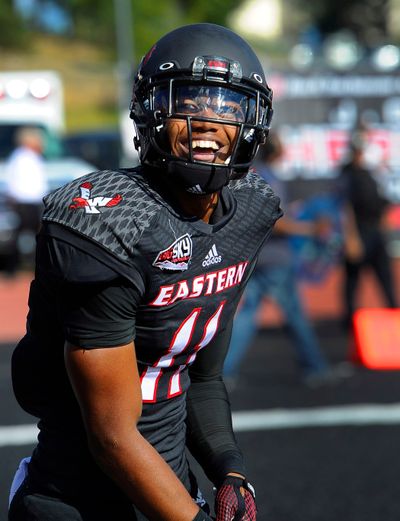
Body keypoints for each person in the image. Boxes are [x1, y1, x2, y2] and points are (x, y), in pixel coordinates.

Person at [9, 23, 282, 521]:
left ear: (252, 121)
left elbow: (200, 374)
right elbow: (112, 436)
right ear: (149, 112)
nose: (207, 121)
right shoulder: (110, 221)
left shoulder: (249, 213)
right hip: (78, 497)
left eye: (227, 105)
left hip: (171, 481)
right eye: (189, 100)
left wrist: (229, 468)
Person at [224, 133, 351, 387]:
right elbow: (277, 224)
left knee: (249, 315)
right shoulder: (271, 179)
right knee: (295, 315)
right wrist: (311, 229)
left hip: (258, 256)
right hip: (277, 258)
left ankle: (224, 371)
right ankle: (315, 367)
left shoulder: (253, 176)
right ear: (276, 151)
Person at [337, 135, 397, 329]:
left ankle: (394, 318)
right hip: (359, 232)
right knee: (353, 281)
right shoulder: (347, 174)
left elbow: (379, 200)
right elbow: (344, 207)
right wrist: (351, 238)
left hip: (375, 232)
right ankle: (350, 324)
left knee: (385, 277)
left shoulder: (369, 173)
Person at [4, 126, 49, 272]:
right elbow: (14, 181)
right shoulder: (21, 157)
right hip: (24, 201)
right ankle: (15, 265)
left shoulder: (32, 156)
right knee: (23, 232)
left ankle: (30, 263)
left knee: (33, 232)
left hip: (33, 201)